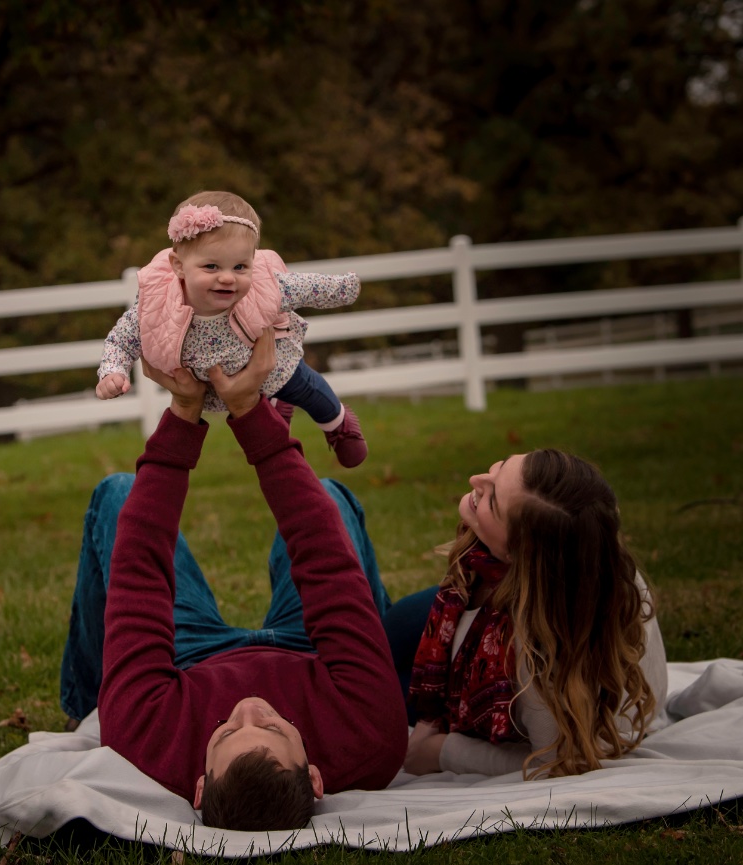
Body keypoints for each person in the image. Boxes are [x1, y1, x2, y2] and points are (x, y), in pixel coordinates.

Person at [61, 330, 407, 831]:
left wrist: (183, 413)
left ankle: (86, 704)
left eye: (223, 733)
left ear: (198, 787)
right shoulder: (370, 740)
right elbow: (328, 566)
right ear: (315, 777)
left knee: (120, 493)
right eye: (272, 726)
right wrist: (250, 414)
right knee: (327, 499)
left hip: (192, 663)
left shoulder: (145, 747)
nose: (246, 709)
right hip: (310, 654)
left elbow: (140, 579)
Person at [394, 450, 670, 779]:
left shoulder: (540, 649)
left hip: (451, 693)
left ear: (519, 554)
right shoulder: (565, 556)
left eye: (493, 501)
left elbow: (555, 762)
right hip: (449, 655)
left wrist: (442, 752)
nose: (476, 480)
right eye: (503, 466)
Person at [96, 190, 369, 468]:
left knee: (309, 390)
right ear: (179, 266)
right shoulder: (157, 301)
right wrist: (112, 371)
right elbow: (121, 340)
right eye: (211, 266)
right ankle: (277, 404)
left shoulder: (265, 286)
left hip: (273, 364)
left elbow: (307, 287)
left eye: (240, 266)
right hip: (221, 390)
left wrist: (344, 288)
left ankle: (339, 424)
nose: (227, 277)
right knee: (262, 434)